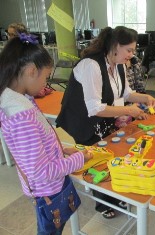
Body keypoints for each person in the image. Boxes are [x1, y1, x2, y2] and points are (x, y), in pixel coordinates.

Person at [56, 26, 155, 219]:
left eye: (133, 50)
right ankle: (102, 203)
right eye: (129, 50)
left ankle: (111, 194)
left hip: (100, 119)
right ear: (115, 46)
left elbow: (126, 93)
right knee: (95, 159)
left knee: (108, 154)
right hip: (82, 121)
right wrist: (129, 110)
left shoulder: (118, 64)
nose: (132, 54)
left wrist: (145, 98)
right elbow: (94, 108)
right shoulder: (91, 65)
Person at [0, 34, 93, 234]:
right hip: (46, 190)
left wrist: (60, 150)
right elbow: (41, 171)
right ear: (31, 71)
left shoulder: (19, 99)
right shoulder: (20, 115)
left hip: (47, 184)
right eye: (45, 76)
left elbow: (37, 142)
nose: (46, 83)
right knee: (50, 230)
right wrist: (78, 159)